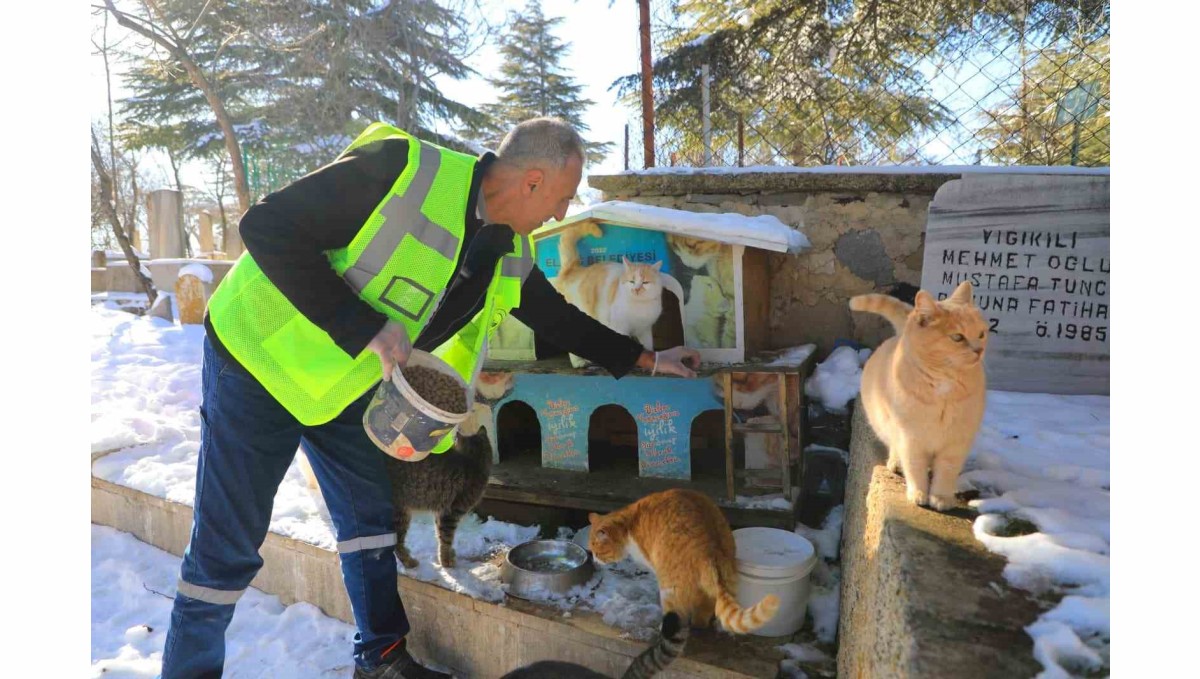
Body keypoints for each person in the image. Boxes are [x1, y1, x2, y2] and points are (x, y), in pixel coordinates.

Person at [159, 117, 700, 679]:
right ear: (533, 181)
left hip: (341, 385)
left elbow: (553, 315)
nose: (561, 214)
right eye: (562, 198)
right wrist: (362, 324)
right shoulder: (402, 170)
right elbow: (267, 224)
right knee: (229, 543)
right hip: (258, 362)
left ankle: (382, 659)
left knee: (370, 516)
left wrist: (647, 358)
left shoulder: (508, 248)